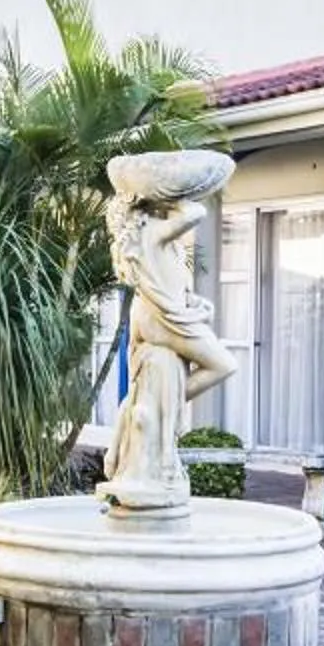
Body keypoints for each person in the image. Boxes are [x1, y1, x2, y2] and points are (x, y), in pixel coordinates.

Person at [101, 190, 236, 512]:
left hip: (153, 315)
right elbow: (194, 213)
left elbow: (173, 285)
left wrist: (196, 305)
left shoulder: (157, 240)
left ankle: (133, 419)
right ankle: (163, 405)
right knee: (223, 364)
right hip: (160, 320)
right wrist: (170, 193)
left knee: (143, 394)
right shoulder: (151, 232)